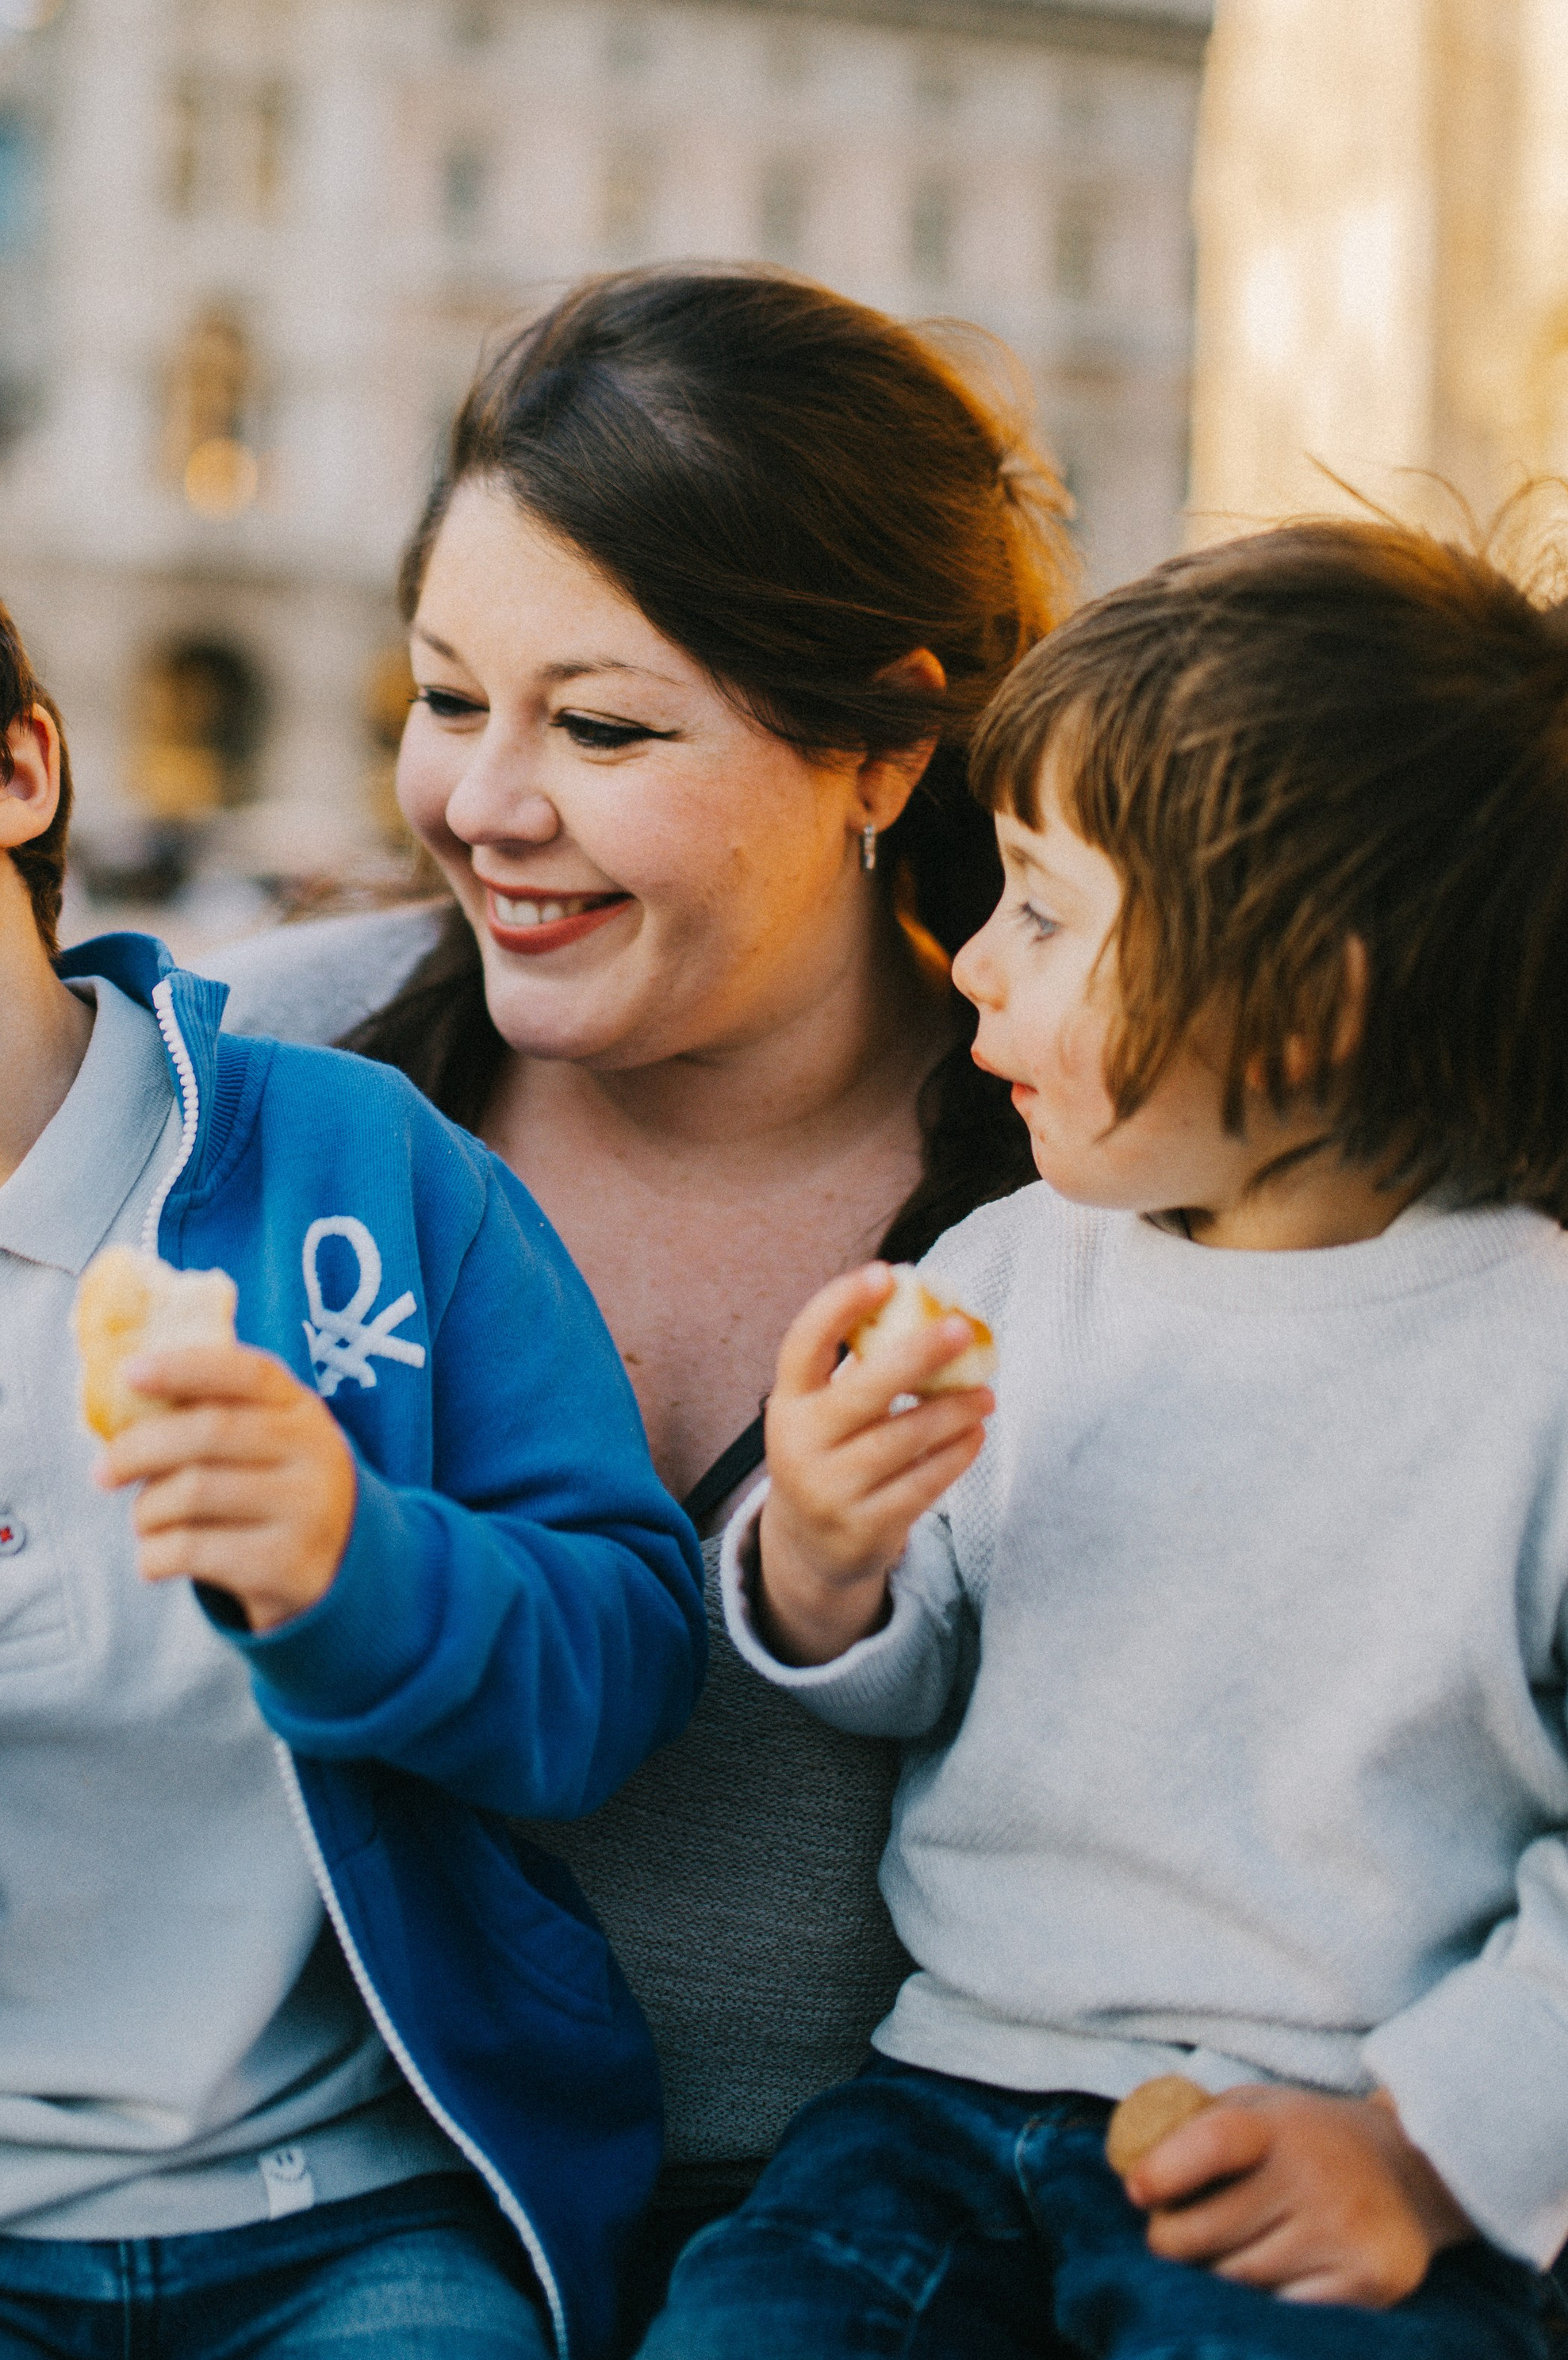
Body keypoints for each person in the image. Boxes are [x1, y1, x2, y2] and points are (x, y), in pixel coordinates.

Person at [0, 451, 703, 2360]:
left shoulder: (361, 1172)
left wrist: (359, 1570)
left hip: (349, 2205)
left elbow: (625, 1665)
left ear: (10, 769)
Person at [207, 265, 1075, 2290]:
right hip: (303, 2236)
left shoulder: (1096, 1176)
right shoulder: (249, 1075)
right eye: (442, 699)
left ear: (883, 748)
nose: (483, 806)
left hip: (880, 2265)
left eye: (598, 724)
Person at [645, 516, 1568, 2358]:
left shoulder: (1529, 1365)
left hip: (1327, 2133)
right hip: (936, 2103)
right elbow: (904, 1668)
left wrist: (1423, 2152)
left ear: (1309, 1009)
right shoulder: (1008, 1272)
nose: (973, 959)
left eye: (1044, 911)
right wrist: (823, 1557)